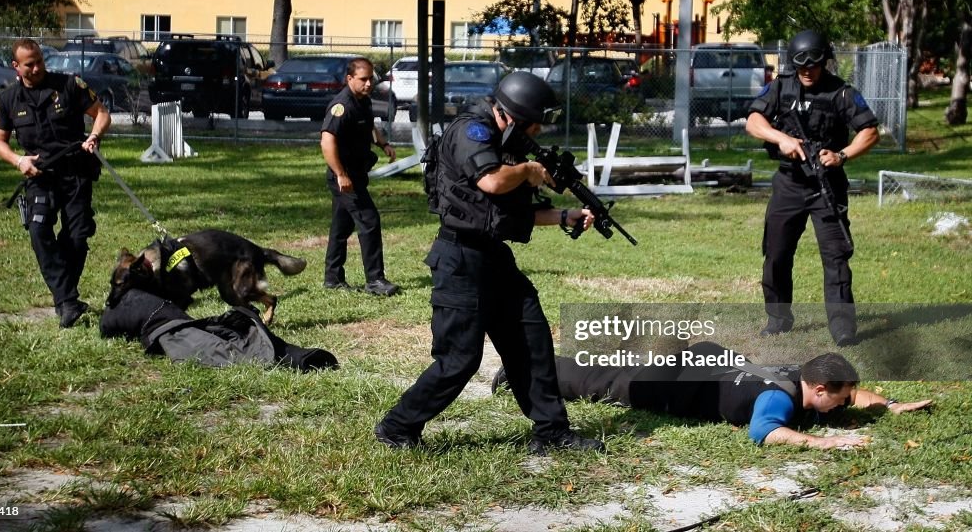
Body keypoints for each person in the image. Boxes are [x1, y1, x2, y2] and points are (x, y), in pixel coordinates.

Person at [375, 71, 604, 455]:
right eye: (535, 125)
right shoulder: (472, 132)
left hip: (495, 257)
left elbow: (505, 214)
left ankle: (551, 432)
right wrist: (531, 171)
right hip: (460, 258)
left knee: (531, 338)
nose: (538, 134)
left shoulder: (505, 143)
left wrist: (564, 216)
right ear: (514, 116)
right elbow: (493, 183)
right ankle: (398, 427)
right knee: (460, 359)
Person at [494, 341, 932, 450]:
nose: (842, 405)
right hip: (682, 382)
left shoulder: (808, 376)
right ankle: (521, 373)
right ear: (819, 390)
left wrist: (891, 406)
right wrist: (823, 442)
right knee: (605, 384)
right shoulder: (778, 400)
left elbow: (854, 395)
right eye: (837, 399)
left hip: (711, 360)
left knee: (614, 371)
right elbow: (762, 432)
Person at [745, 30, 880, 346]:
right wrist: (782, 139)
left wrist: (841, 155)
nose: (807, 72)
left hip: (826, 186)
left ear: (824, 62)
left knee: (836, 257)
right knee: (776, 254)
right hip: (789, 184)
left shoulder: (842, 93)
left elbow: (870, 131)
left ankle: (843, 328)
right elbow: (753, 121)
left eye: (814, 66)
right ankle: (778, 319)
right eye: (801, 66)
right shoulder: (781, 86)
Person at [0, 38, 111, 328]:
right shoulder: (8, 100)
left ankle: (65, 299)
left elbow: (102, 115)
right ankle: (67, 301)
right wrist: (19, 161)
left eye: (39, 61)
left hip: (75, 171)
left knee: (78, 235)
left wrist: (93, 136)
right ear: (16, 67)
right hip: (40, 175)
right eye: (29, 64)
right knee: (38, 229)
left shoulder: (69, 85)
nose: (36, 68)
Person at [101, 288, 338, 371]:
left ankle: (287, 355)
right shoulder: (123, 309)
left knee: (227, 344)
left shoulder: (120, 309)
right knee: (227, 343)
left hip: (167, 322)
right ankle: (289, 355)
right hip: (169, 322)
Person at [320, 57, 400, 296]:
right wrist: (341, 174)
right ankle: (375, 280)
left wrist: (383, 144)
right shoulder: (341, 105)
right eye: (362, 79)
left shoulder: (363, 101)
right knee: (369, 221)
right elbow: (327, 141)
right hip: (345, 179)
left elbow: (370, 126)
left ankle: (333, 278)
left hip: (356, 173)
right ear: (349, 79)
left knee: (341, 227)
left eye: (370, 79)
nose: (368, 84)